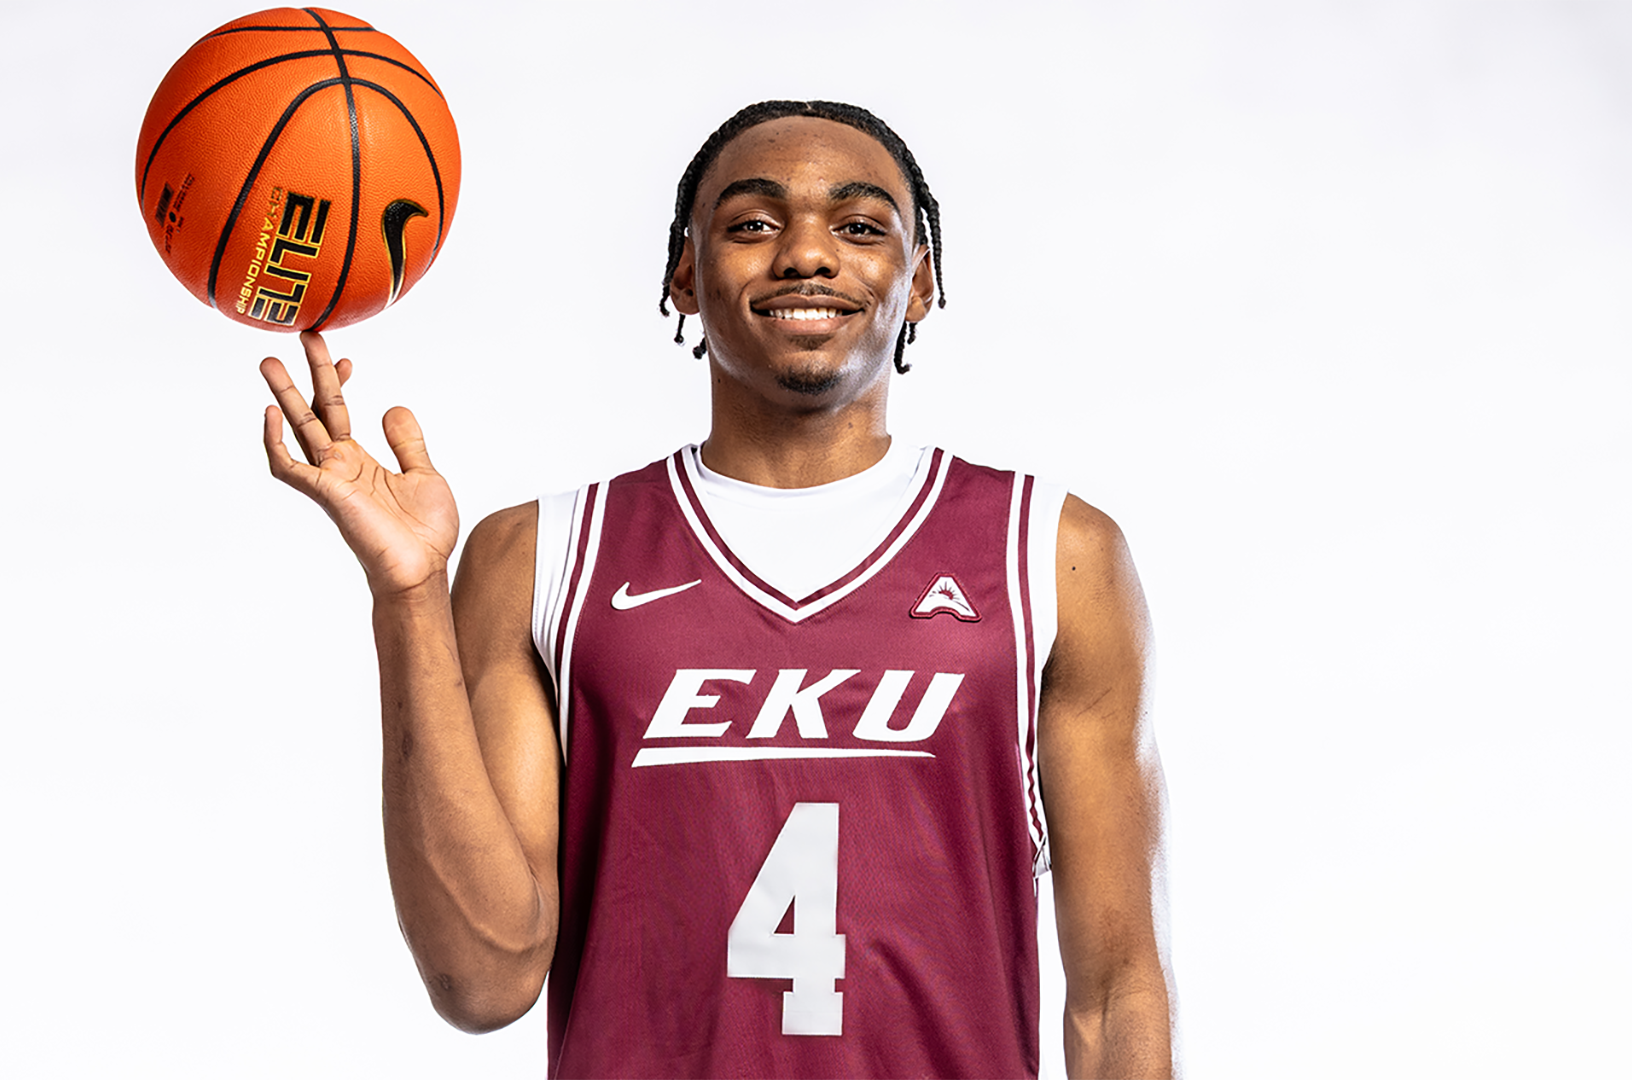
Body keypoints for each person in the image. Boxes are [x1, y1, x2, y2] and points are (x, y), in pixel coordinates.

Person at [260, 100, 1174, 1078]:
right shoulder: (543, 557)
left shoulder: (1049, 554)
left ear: (920, 283)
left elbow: (1116, 988)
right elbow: (483, 980)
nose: (808, 254)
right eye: (753, 223)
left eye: (861, 226)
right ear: (685, 276)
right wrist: (408, 594)